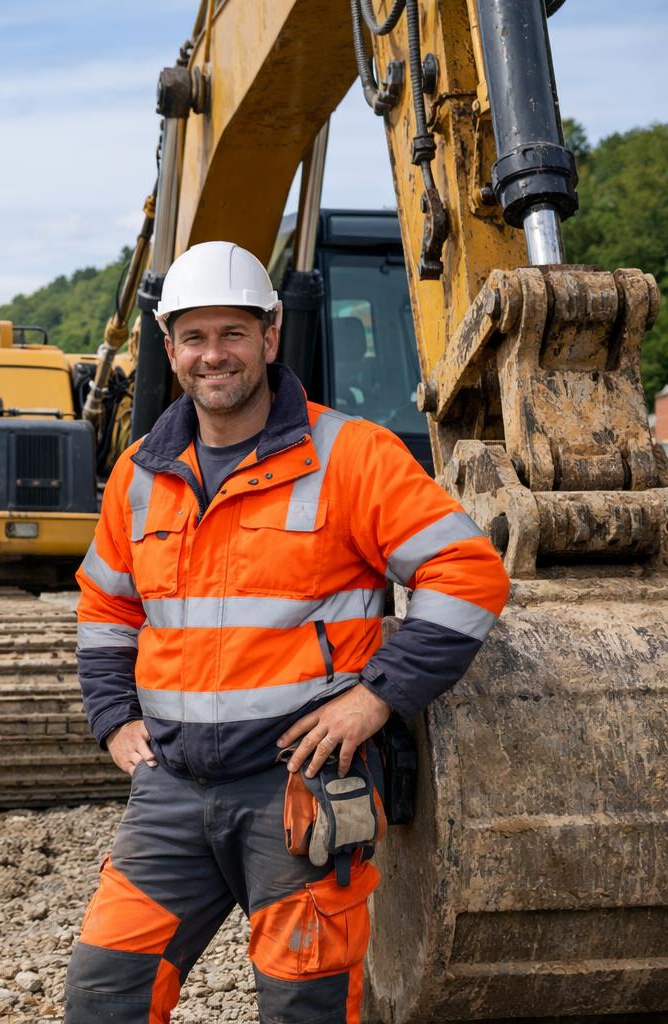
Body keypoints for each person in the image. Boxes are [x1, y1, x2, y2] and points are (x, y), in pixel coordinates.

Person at [66, 241, 510, 1023]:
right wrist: (114, 722)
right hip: (170, 788)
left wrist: (377, 698)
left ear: (270, 337)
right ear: (170, 350)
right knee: (105, 993)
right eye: (195, 338)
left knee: (304, 1006)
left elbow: (467, 573)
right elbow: (107, 608)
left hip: (298, 788)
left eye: (233, 333)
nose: (215, 355)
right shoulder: (139, 474)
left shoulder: (352, 455)